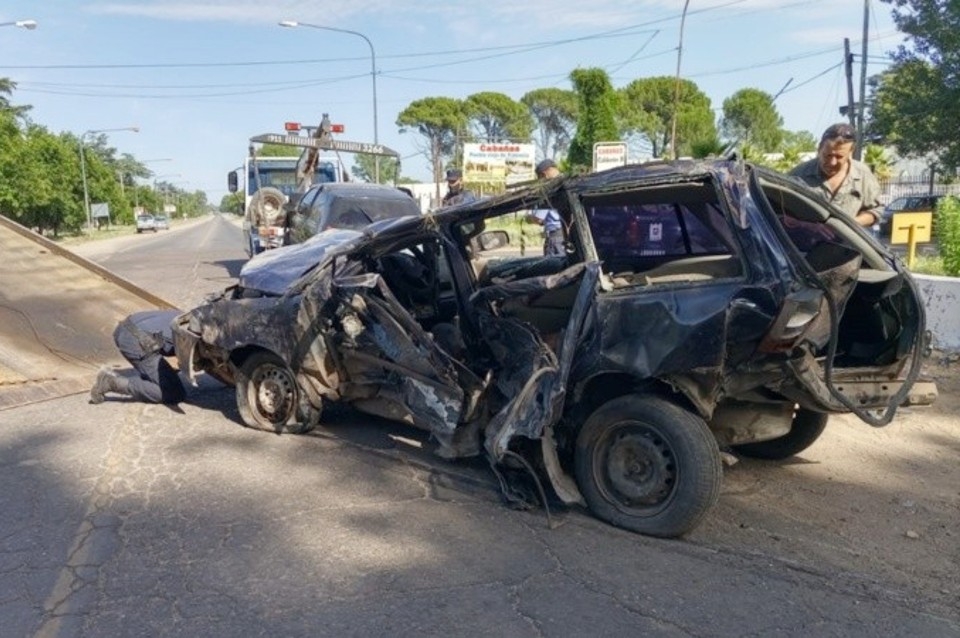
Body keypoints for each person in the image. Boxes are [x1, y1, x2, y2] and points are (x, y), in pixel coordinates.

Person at [789, 123, 882, 228]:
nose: (832, 162)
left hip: (846, 238)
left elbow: (876, 210)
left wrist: (849, 225)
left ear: (851, 152)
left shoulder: (863, 175)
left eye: (839, 157)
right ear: (819, 149)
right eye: (827, 155)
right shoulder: (798, 175)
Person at [90, 309, 187, 405]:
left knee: (167, 374)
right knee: (173, 393)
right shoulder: (193, 338)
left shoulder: (192, 318)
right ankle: (110, 382)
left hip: (130, 325)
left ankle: (151, 376)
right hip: (136, 341)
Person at [526, 159, 565, 256]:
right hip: (570, 235)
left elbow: (538, 219)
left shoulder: (549, 190)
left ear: (544, 174)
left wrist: (528, 218)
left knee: (555, 264)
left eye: (539, 177)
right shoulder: (567, 183)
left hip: (556, 238)